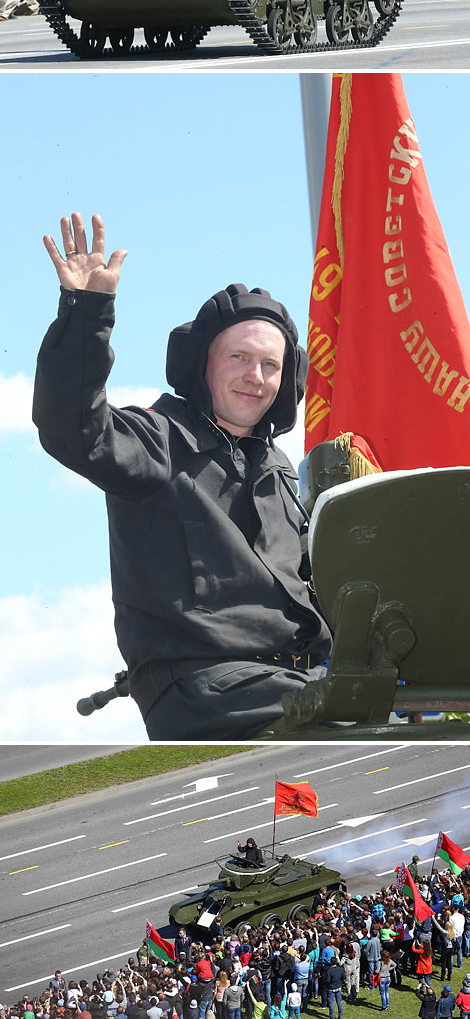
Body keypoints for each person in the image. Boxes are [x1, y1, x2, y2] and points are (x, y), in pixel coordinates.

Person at [33, 213, 332, 741]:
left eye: (270, 365)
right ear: (204, 366)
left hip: (298, 678)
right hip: (204, 687)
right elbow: (72, 428)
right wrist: (86, 313)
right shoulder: (157, 439)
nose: (254, 377)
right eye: (238, 357)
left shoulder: (280, 471)